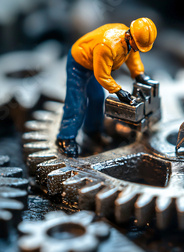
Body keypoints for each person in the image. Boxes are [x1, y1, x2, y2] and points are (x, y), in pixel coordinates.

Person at [56, 18, 157, 157]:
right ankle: (65, 138)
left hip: (93, 63)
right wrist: (119, 91)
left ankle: (92, 131)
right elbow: (102, 75)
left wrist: (139, 74)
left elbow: (133, 57)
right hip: (78, 63)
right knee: (77, 102)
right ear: (129, 36)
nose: (137, 49)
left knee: (97, 97)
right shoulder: (107, 46)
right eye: (138, 46)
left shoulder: (131, 40)